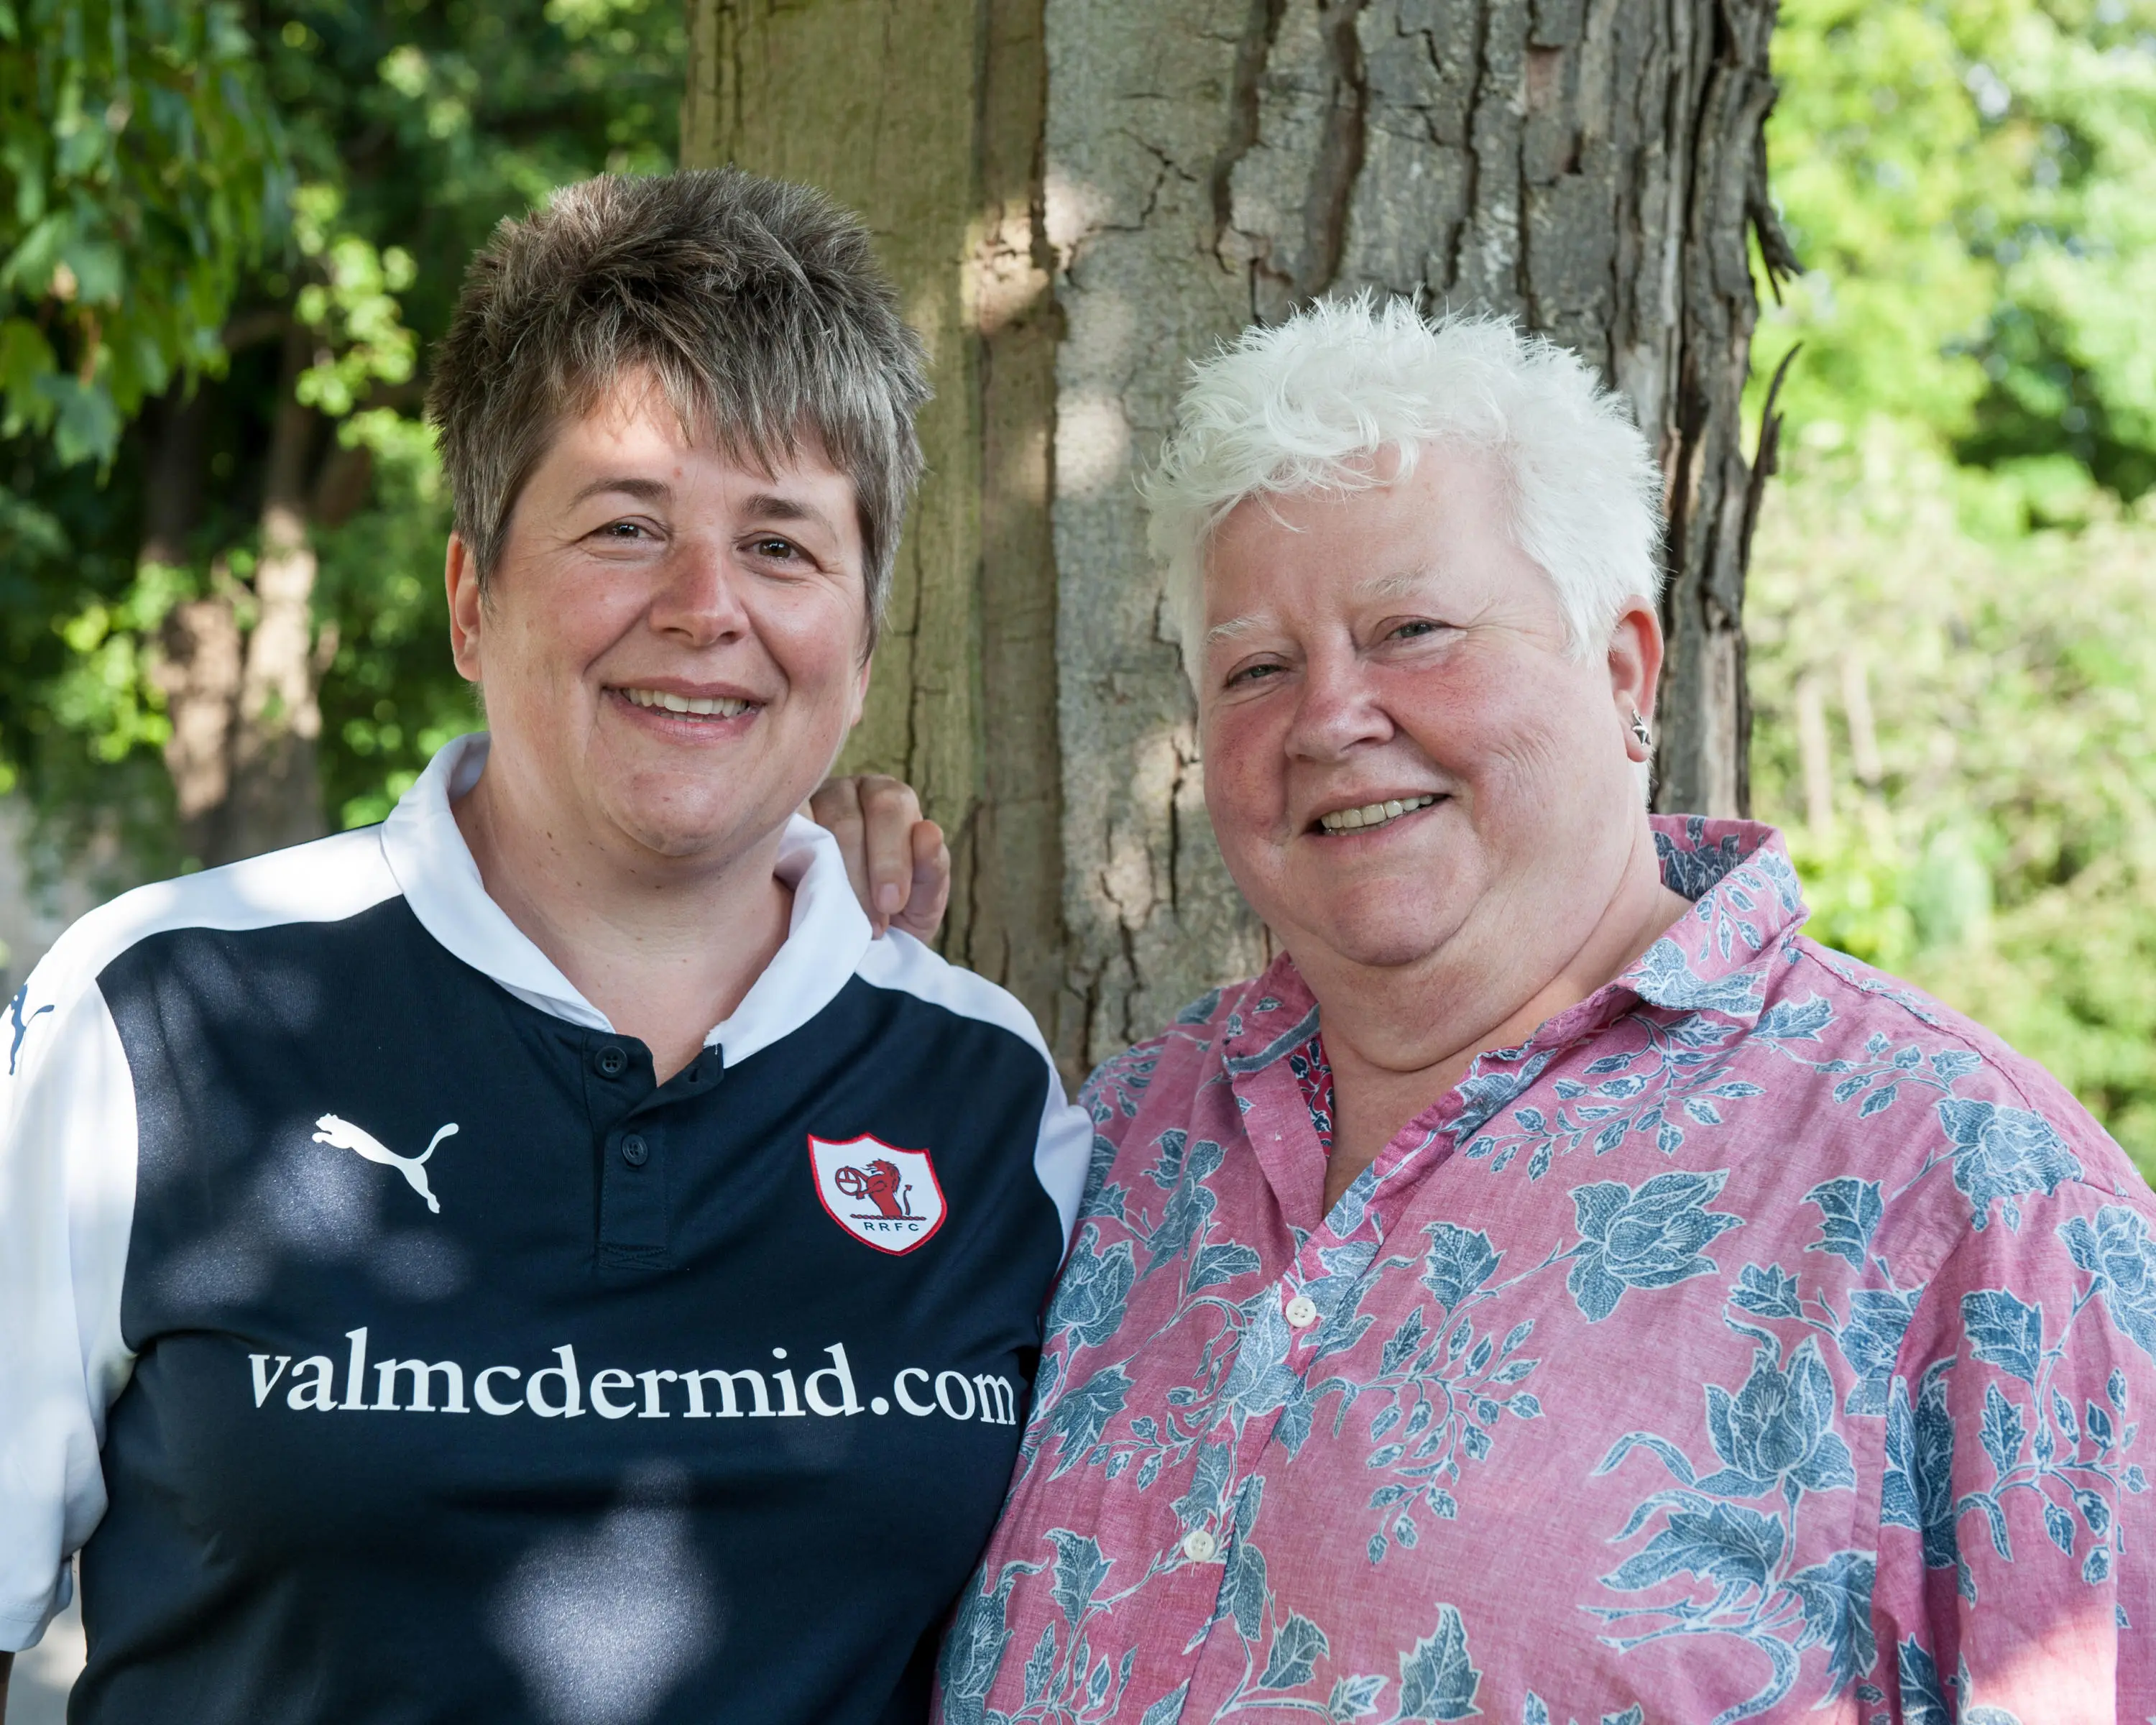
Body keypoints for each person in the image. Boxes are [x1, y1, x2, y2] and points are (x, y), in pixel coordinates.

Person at [816, 300, 2156, 1722]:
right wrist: (784, 949)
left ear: (1626, 670)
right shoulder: (1129, 1136)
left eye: (1413, 631)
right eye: (1258, 668)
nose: (1332, 715)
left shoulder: (1973, 1196)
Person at [0, 168, 1089, 1725]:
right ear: (469, 596)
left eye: (783, 547)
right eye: (626, 525)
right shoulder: (158, 1020)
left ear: (859, 644)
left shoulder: (991, 1094)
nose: (707, 608)